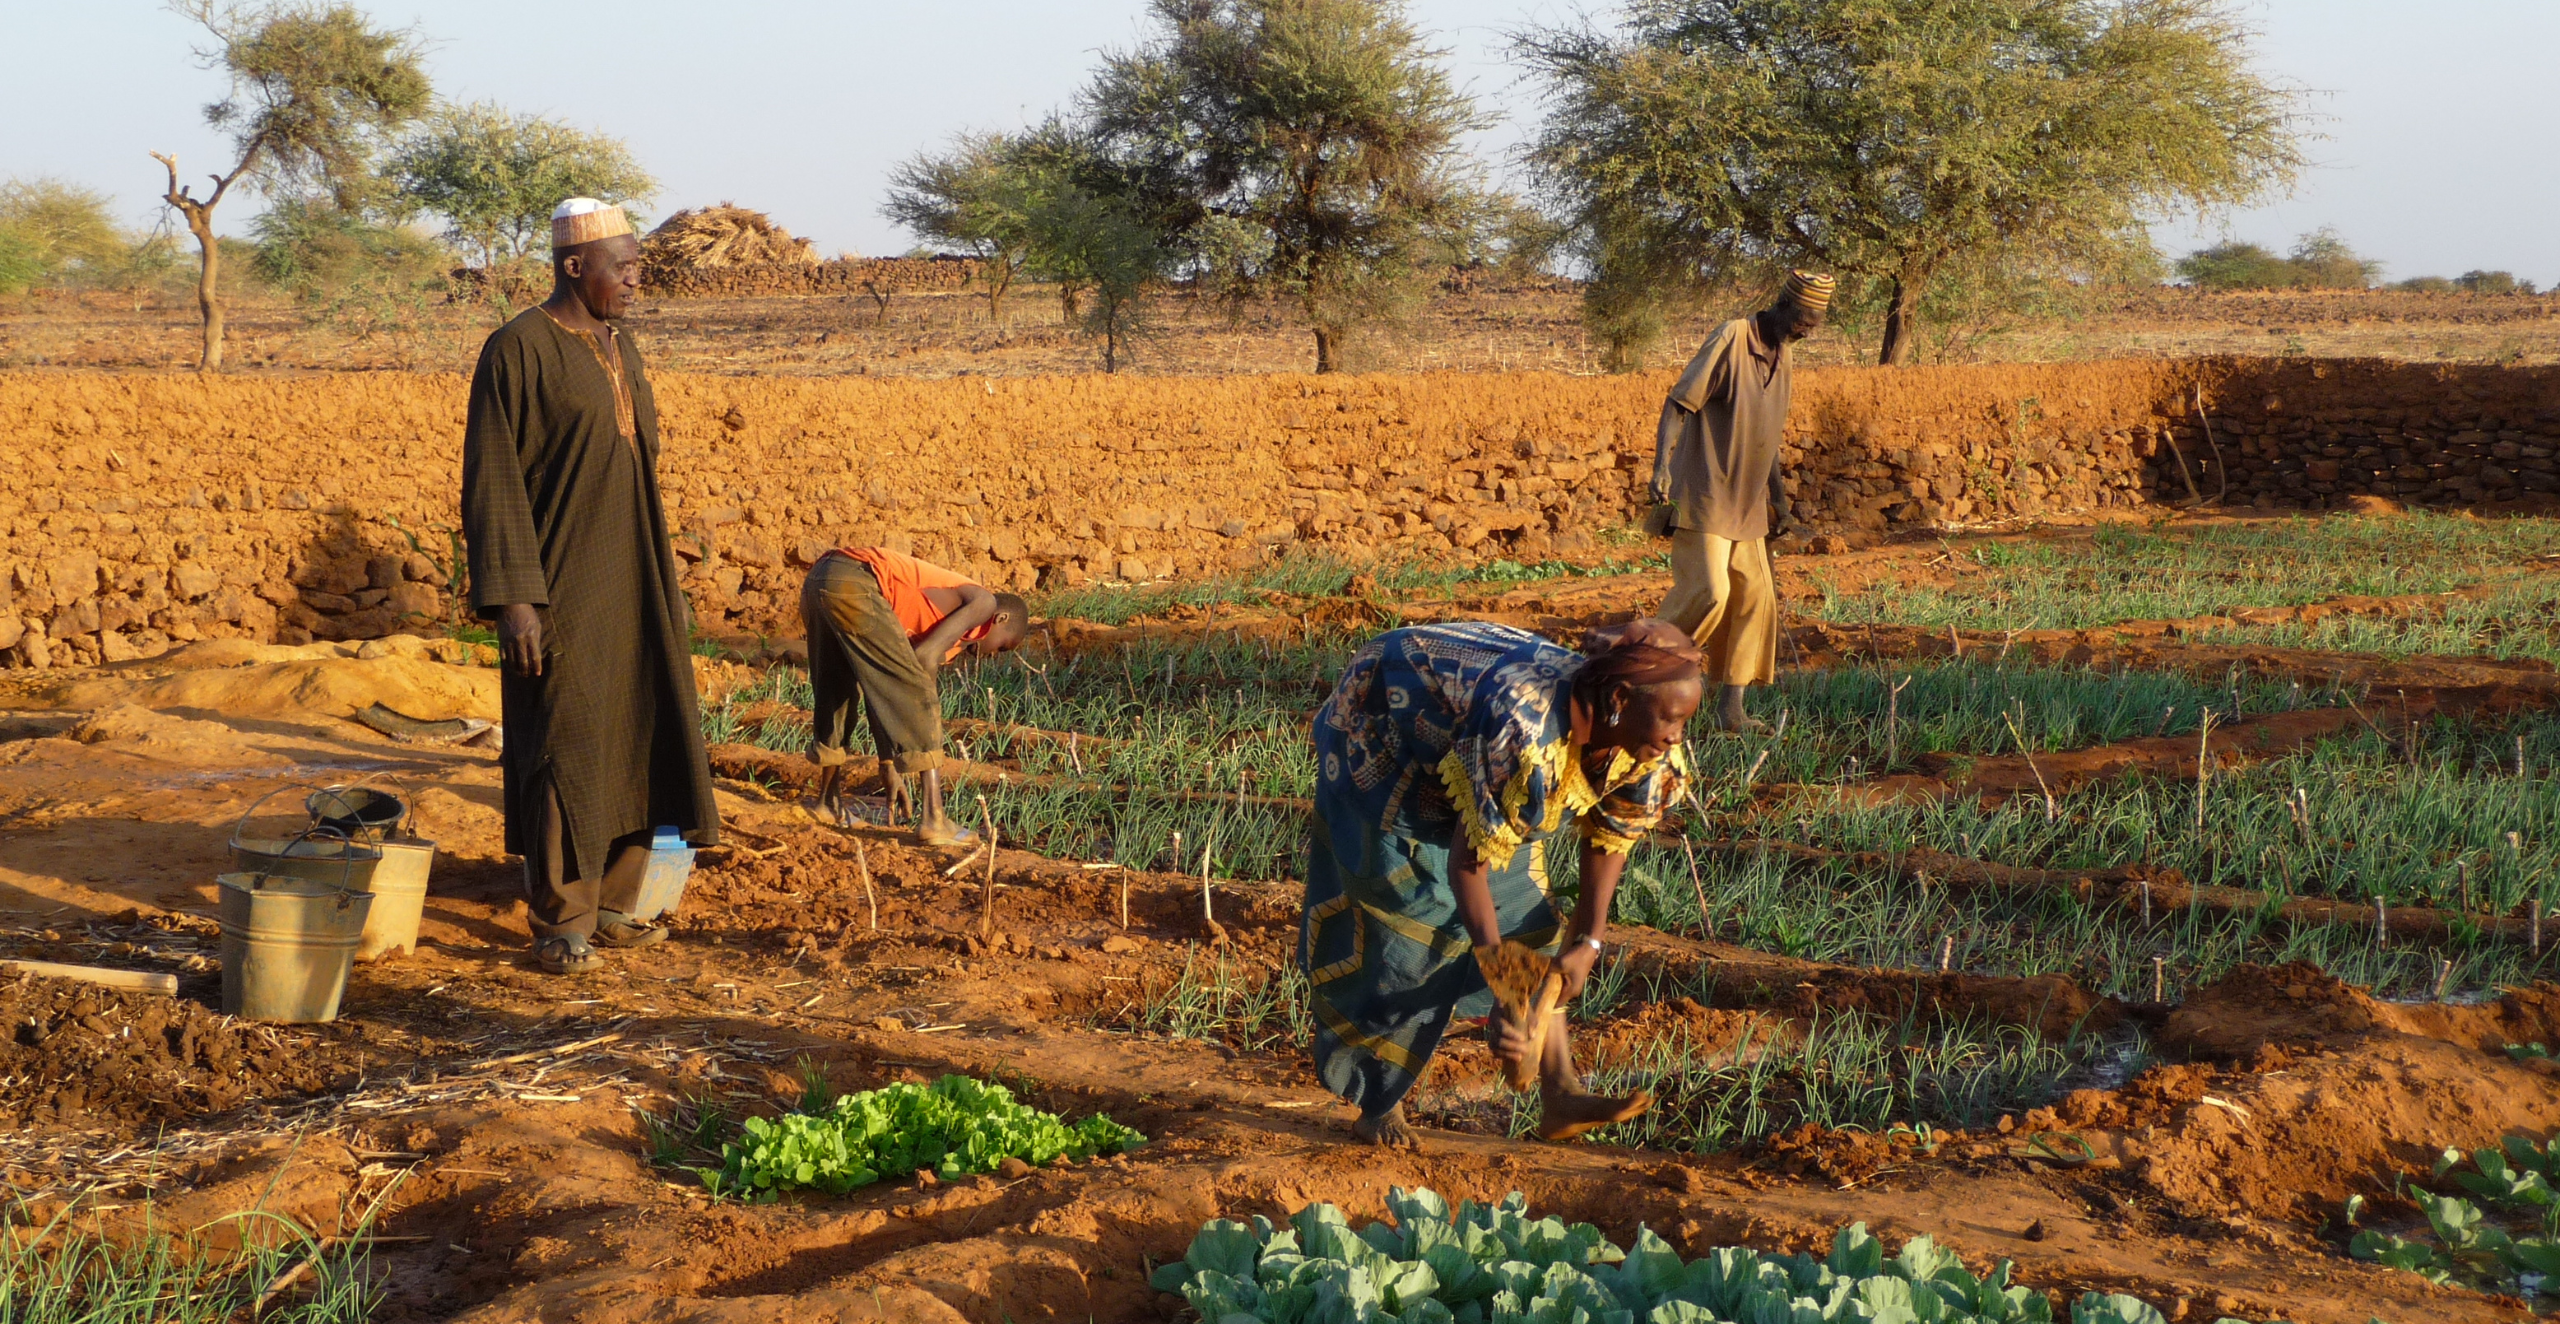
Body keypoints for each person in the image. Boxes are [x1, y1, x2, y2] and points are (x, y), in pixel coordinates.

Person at [1300, 618, 1702, 1150]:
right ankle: (1379, 1104)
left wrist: (1589, 941)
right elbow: (1468, 868)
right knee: (1405, 930)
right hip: (1383, 739)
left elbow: (1609, 840)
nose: (1678, 735)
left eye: (1685, 721)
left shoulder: (1649, 744)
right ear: (1621, 699)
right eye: (1672, 719)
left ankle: (1560, 1092)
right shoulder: (1527, 730)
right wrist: (1504, 983)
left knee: (1529, 921)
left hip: (1475, 760)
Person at [461, 197, 720, 976]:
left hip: (634, 577)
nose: (638, 280)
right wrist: (515, 599)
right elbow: (493, 480)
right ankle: (561, 920)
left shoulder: (621, 346)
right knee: (565, 745)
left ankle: (614, 903)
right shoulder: (517, 350)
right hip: (562, 583)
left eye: (639, 266)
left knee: (639, 731)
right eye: (625, 267)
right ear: (576, 267)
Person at [1647, 269, 1833, 732]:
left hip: (1747, 504)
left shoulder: (1784, 356)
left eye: (1816, 324)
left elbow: (1766, 440)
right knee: (1710, 592)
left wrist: (1781, 505)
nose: (1807, 331)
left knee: (1755, 598)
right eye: (1805, 321)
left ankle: (1731, 710)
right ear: (1784, 305)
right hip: (1706, 491)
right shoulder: (1732, 337)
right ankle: (1641, 671)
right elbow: (1678, 403)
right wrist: (1660, 467)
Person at [801, 546, 1030, 843]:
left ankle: (828, 803)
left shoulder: (938, 625)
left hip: (822, 577)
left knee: (836, 688)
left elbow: (881, 684)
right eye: (1002, 647)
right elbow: (924, 660)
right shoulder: (984, 604)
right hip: (858, 580)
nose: (991, 656)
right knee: (922, 695)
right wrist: (923, 712)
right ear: (1000, 619)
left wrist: (887, 761)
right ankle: (934, 819)